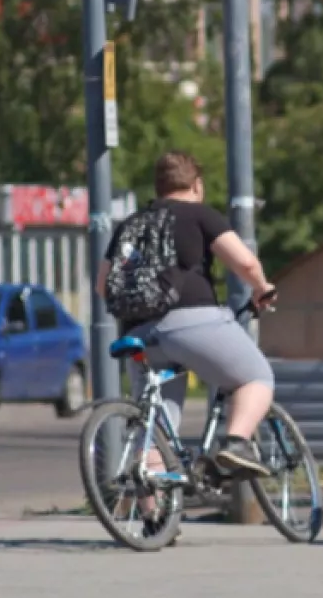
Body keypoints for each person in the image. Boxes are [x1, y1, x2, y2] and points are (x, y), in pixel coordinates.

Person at [95, 150, 277, 478]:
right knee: (256, 378)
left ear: (159, 186)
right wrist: (262, 288)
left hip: (138, 334)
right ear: (196, 185)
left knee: (156, 430)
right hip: (191, 321)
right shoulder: (199, 215)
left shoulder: (131, 225)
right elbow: (245, 262)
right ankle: (236, 444)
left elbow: (102, 285)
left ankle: (151, 519)